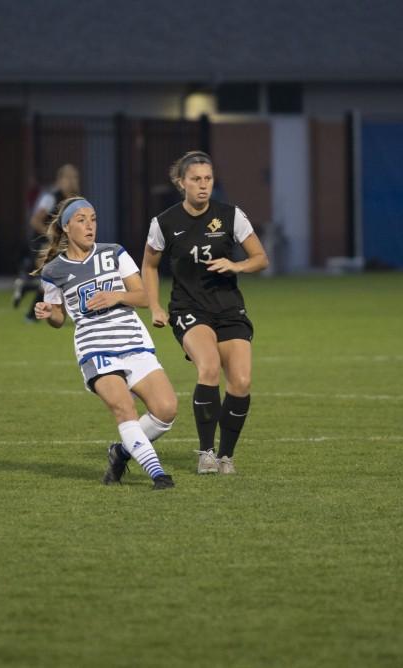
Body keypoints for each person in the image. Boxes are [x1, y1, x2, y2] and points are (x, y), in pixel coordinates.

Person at [33, 197, 176, 491]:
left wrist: (116, 296)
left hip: (133, 340)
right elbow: (59, 318)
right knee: (125, 408)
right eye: (82, 220)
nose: (90, 226)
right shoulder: (53, 271)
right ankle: (158, 474)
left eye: (93, 219)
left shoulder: (114, 253)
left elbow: (145, 297)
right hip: (95, 348)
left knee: (166, 409)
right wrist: (49, 313)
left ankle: (121, 452)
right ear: (66, 226)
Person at [142, 151, 269, 475]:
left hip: (228, 307)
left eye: (208, 179)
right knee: (209, 367)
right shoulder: (165, 222)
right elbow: (150, 265)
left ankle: (226, 455)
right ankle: (206, 452)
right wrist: (154, 305)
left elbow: (260, 258)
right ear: (181, 182)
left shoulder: (231, 216)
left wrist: (236, 264)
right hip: (188, 308)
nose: (203, 185)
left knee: (241, 381)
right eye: (196, 179)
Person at [14, 164, 80, 320]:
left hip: (61, 246)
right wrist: (51, 236)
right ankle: (31, 313)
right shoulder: (50, 197)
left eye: (74, 177)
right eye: (68, 178)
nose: (71, 181)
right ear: (60, 180)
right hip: (44, 244)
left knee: (52, 280)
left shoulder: (74, 199)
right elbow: (35, 221)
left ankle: (25, 289)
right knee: (51, 279)